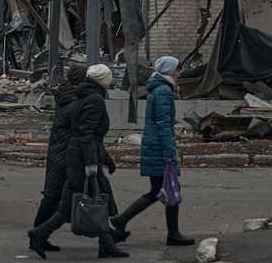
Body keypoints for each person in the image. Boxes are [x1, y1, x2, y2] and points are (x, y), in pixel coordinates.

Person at [28, 64, 128, 259]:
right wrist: (92, 161)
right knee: (79, 199)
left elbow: (88, 136)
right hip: (75, 156)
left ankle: (106, 241)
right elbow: (86, 134)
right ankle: (39, 233)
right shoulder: (85, 101)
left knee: (89, 196)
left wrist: (103, 157)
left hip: (73, 154)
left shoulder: (77, 98)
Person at [110, 55, 195, 246]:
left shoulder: (157, 88)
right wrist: (169, 153)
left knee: (160, 189)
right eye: (177, 70)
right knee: (169, 190)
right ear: (169, 71)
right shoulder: (164, 91)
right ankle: (172, 234)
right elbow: (164, 125)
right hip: (159, 147)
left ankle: (122, 220)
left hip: (153, 145)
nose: (179, 74)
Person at [31, 63, 89, 250]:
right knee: (54, 198)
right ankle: (37, 235)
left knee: (55, 197)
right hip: (65, 153)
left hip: (58, 151)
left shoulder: (66, 98)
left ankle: (38, 235)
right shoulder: (74, 103)